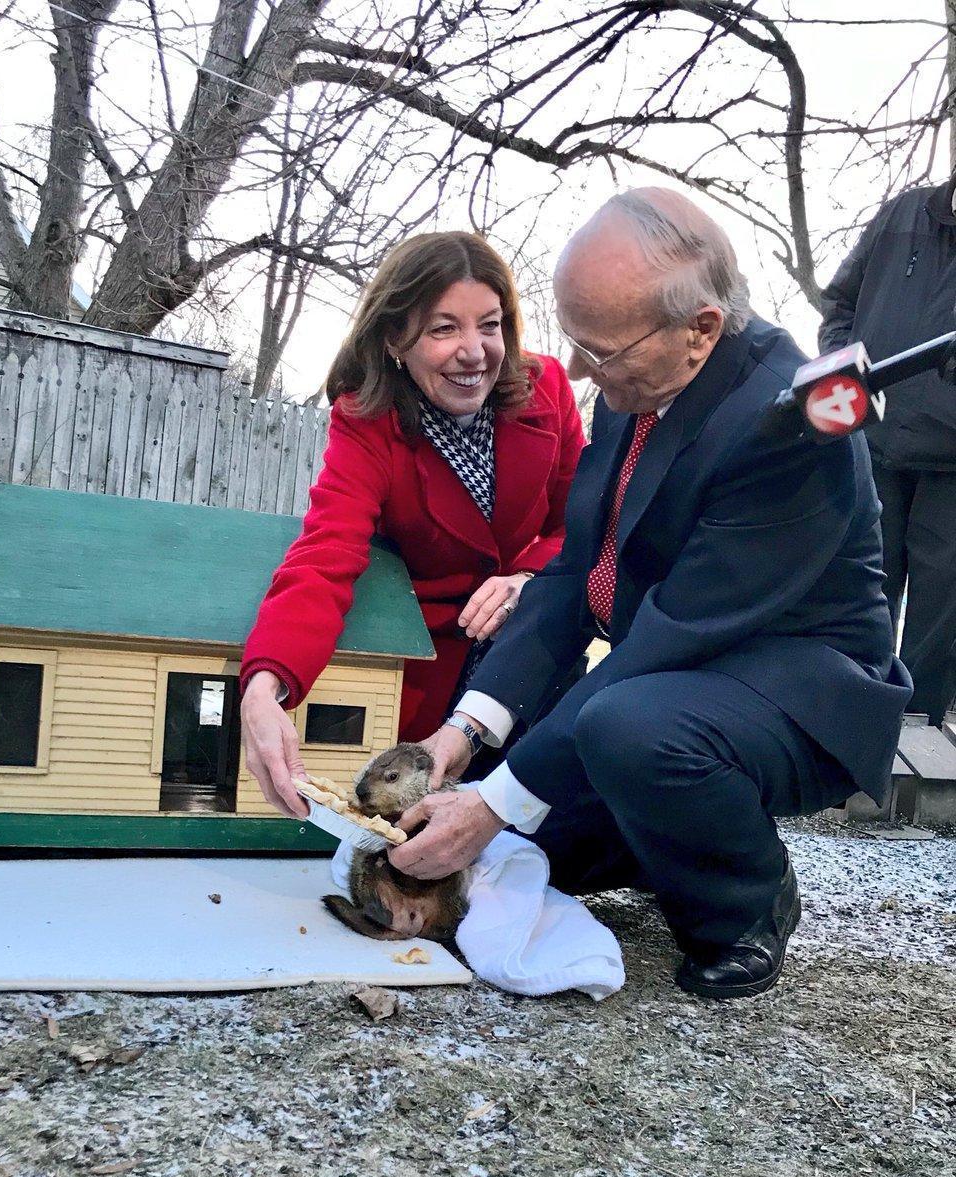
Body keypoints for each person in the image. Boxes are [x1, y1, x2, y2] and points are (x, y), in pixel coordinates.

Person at [384, 189, 912, 1001]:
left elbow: (677, 632)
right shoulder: (639, 377)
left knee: (618, 734)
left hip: (794, 692)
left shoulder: (789, 429)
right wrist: (460, 736)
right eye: (577, 342)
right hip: (678, 676)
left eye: (601, 350)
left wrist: (493, 801)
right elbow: (572, 576)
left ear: (700, 328)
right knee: (524, 846)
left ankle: (745, 904)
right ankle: (653, 834)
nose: (582, 370)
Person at [239, 231, 586, 817]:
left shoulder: (547, 388)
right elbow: (327, 552)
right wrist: (264, 686)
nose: (474, 351)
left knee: (545, 832)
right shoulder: (367, 417)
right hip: (430, 661)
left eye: (490, 324)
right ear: (396, 337)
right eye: (443, 328)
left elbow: (581, 524)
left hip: (534, 649)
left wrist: (526, 577)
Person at [818, 176, 956, 726]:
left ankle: (920, 737)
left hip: (951, 461)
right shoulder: (902, 213)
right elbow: (839, 303)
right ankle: (846, 727)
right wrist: (843, 370)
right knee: (859, 592)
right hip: (872, 441)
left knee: (940, 610)